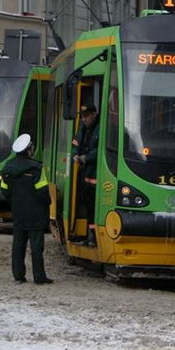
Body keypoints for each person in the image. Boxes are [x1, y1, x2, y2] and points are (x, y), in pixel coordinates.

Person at [1, 133, 53, 284]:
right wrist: (48, 203)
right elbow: (42, 191)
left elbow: (5, 191)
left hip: (18, 211)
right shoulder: (37, 168)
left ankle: (18, 275)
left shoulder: (7, 168)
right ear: (29, 150)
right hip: (36, 213)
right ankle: (39, 276)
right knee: (36, 246)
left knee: (18, 244)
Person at [72, 103, 99, 245]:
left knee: (94, 209)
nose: (84, 119)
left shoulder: (101, 128)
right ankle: (87, 236)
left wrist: (85, 158)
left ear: (94, 114)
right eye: (82, 117)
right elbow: (76, 143)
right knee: (88, 207)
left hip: (95, 176)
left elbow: (101, 150)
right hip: (85, 175)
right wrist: (76, 155)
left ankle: (93, 237)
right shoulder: (83, 128)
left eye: (86, 116)